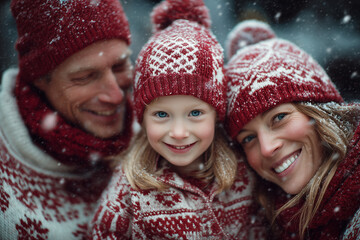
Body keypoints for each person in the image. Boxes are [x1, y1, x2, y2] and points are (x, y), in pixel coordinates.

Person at [90, 0, 266, 239]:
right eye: (161, 114)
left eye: (195, 113)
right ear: (143, 118)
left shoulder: (241, 176)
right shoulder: (129, 190)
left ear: (216, 115)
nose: (179, 132)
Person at [0, 0, 134, 239]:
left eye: (120, 65)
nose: (116, 95)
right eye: (85, 77)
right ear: (40, 79)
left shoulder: (158, 133)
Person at [224, 20, 360, 239]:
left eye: (279, 118)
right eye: (249, 138)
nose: (267, 148)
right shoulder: (275, 222)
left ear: (319, 112)